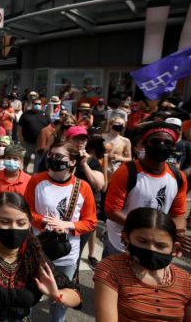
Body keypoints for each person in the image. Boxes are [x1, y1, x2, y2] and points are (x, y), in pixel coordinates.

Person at [0, 192, 81, 322]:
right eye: (5, 221)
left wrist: (56, 295)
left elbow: (76, 297)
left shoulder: (33, 255)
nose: (13, 228)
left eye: (21, 223)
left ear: (29, 224)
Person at [25, 141, 97, 322]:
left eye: (59, 156)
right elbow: (26, 212)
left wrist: (68, 225)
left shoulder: (83, 187)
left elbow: (90, 222)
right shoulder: (37, 180)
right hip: (39, 247)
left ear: (72, 162)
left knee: (60, 296)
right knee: (31, 290)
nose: (53, 159)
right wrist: (43, 221)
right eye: (51, 155)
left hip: (67, 251)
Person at [104, 121, 189, 258]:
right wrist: (150, 230)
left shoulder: (178, 177)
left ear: (173, 147)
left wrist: (176, 234)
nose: (161, 146)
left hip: (155, 246)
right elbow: (112, 211)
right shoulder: (126, 172)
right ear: (144, 144)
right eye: (155, 141)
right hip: (121, 243)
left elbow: (178, 214)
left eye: (168, 143)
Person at [94, 208, 191, 322]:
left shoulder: (186, 281)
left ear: (174, 247)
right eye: (142, 241)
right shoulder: (111, 270)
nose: (151, 249)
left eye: (160, 246)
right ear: (126, 237)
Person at [65, 127, 106, 272]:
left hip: (84, 214)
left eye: (83, 138)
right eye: (77, 138)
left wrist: (84, 164)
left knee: (76, 253)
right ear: (68, 139)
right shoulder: (60, 157)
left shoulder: (92, 161)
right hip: (63, 211)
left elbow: (99, 185)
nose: (80, 141)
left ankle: (72, 282)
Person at [0, 144, 31, 217]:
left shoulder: (28, 180)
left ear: (21, 161)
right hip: (0, 218)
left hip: (20, 220)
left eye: (15, 159)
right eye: (8, 158)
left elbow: (31, 203)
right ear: (4, 159)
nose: (11, 161)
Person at [18, 99, 50, 170]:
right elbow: (20, 126)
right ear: (32, 104)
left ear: (42, 105)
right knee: (25, 159)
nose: (37, 105)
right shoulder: (26, 114)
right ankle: (24, 172)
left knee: (39, 161)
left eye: (39, 104)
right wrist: (21, 137)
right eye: (35, 103)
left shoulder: (45, 115)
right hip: (27, 142)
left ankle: (36, 175)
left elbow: (49, 127)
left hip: (40, 143)